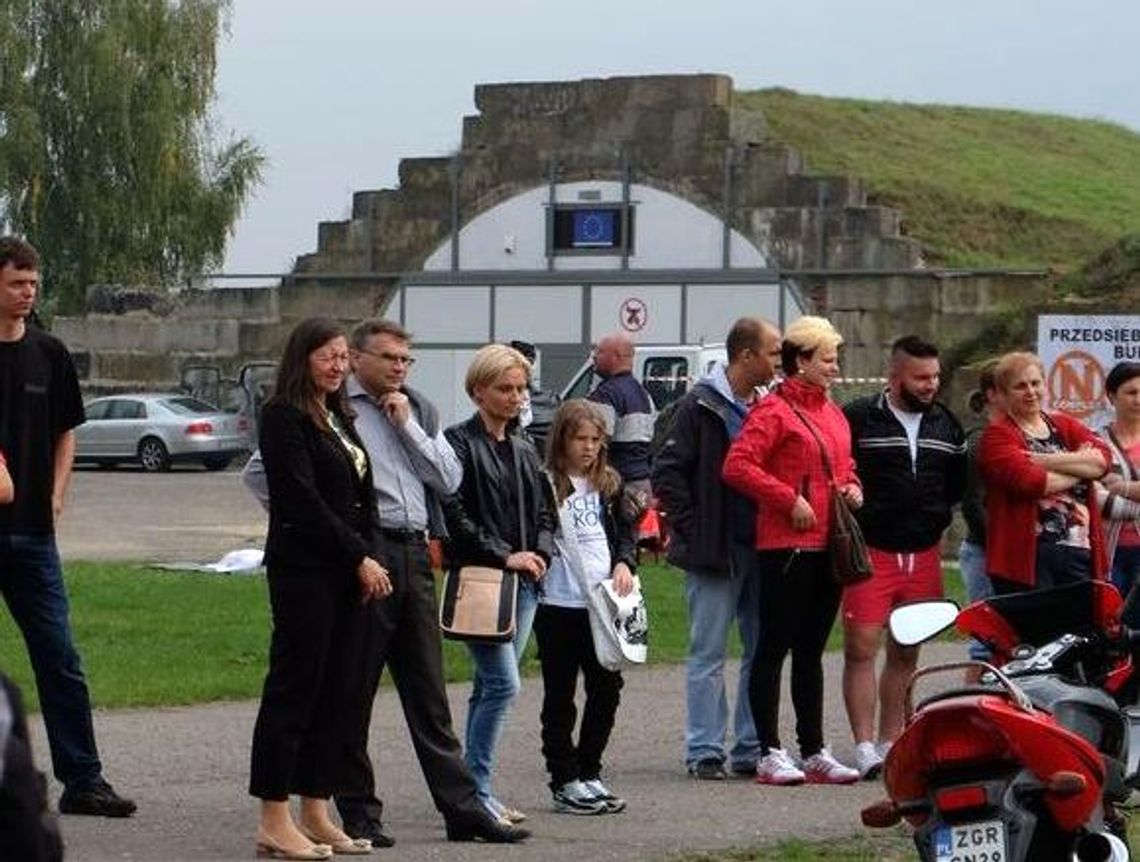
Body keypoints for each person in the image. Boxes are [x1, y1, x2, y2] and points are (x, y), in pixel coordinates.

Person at [335, 321, 530, 845]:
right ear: (356, 358)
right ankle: (360, 813)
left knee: (429, 692)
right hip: (365, 553)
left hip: (416, 551)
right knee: (355, 691)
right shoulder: (334, 408)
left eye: (406, 359)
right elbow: (268, 476)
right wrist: (334, 539)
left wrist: (408, 428)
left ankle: (463, 810)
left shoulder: (416, 407)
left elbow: (448, 479)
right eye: (389, 357)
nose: (399, 367)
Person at [0, 236, 136, 818]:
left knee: (59, 658)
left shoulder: (49, 353)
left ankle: (83, 779)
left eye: (33, 282)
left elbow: (65, 431)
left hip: (32, 533)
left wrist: (57, 492)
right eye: (16, 283)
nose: (28, 292)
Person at [249, 317, 392, 860]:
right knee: (295, 689)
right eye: (327, 357)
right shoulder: (282, 416)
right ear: (302, 358)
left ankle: (316, 807)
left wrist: (371, 554)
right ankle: (273, 817)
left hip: (350, 572)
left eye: (342, 358)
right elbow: (300, 500)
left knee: (339, 693)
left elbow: (363, 495)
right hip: (305, 571)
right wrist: (357, 555)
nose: (337, 366)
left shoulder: (339, 416)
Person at [722, 315, 861, 786]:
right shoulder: (773, 411)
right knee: (773, 646)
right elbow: (737, 465)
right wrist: (787, 498)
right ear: (800, 361)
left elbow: (845, 464)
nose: (835, 368)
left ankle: (815, 749)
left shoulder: (833, 411)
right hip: (786, 546)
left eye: (836, 359)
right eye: (827, 359)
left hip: (829, 545)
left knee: (811, 651)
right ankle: (768, 751)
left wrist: (853, 488)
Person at [651, 317, 782, 780]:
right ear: (745, 355)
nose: (778, 362)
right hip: (715, 549)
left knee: (758, 648)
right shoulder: (699, 406)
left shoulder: (770, 405)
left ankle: (750, 747)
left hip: (762, 548)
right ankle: (705, 749)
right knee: (708, 650)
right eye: (772, 353)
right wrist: (695, 526)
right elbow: (667, 471)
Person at [841, 336, 966, 779]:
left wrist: (933, 517)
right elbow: (840, 470)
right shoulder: (858, 417)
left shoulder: (946, 424)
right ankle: (862, 746)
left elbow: (956, 486)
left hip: (924, 553)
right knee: (861, 648)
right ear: (895, 377)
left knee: (907, 649)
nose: (931, 384)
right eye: (921, 377)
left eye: (935, 376)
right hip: (873, 551)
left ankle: (892, 740)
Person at [442, 344, 555, 825]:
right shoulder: (458, 442)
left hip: (526, 582)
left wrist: (542, 553)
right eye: (504, 388)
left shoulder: (526, 445)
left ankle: (473, 789)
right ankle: (478, 791)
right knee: (503, 685)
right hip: (483, 580)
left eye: (521, 388)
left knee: (490, 687)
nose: (515, 397)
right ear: (478, 391)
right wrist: (502, 553)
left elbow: (546, 509)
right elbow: (453, 511)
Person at [537, 399, 638, 814]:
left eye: (596, 440)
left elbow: (625, 535)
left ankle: (590, 769)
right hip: (559, 603)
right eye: (580, 438)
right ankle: (563, 779)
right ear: (562, 438)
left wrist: (624, 561)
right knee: (560, 693)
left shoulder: (609, 485)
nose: (589, 447)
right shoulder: (545, 483)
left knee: (606, 686)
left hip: (603, 603)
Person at [978, 351, 1110, 594]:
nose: (1030, 391)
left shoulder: (1066, 425)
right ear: (1004, 394)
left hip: (1080, 551)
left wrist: (1047, 460)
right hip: (1028, 560)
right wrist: (1080, 468)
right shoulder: (997, 436)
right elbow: (1032, 483)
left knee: (1083, 629)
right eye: (1020, 386)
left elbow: (1102, 462)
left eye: (1035, 383)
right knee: (1040, 630)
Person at [959, 363, 1000, 678]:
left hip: (1018, 552)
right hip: (987, 552)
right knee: (985, 644)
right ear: (993, 395)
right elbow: (973, 505)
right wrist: (1000, 547)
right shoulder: (978, 441)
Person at [1095, 361, 1140, 628]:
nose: (1138, 399)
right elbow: (1096, 498)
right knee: (1110, 627)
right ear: (1112, 396)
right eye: (1131, 392)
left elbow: (1108, 492)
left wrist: (1120, 487)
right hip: (1108, 551)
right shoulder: (1094, 442)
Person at [589, 332, 655, 512]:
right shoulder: (644, 395)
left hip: (618, 487)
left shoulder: (605, 395)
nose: (594, 356)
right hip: (644, 486)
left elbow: (596, 443)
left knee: (618, 538)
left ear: (616, 356)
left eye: (600, 351)